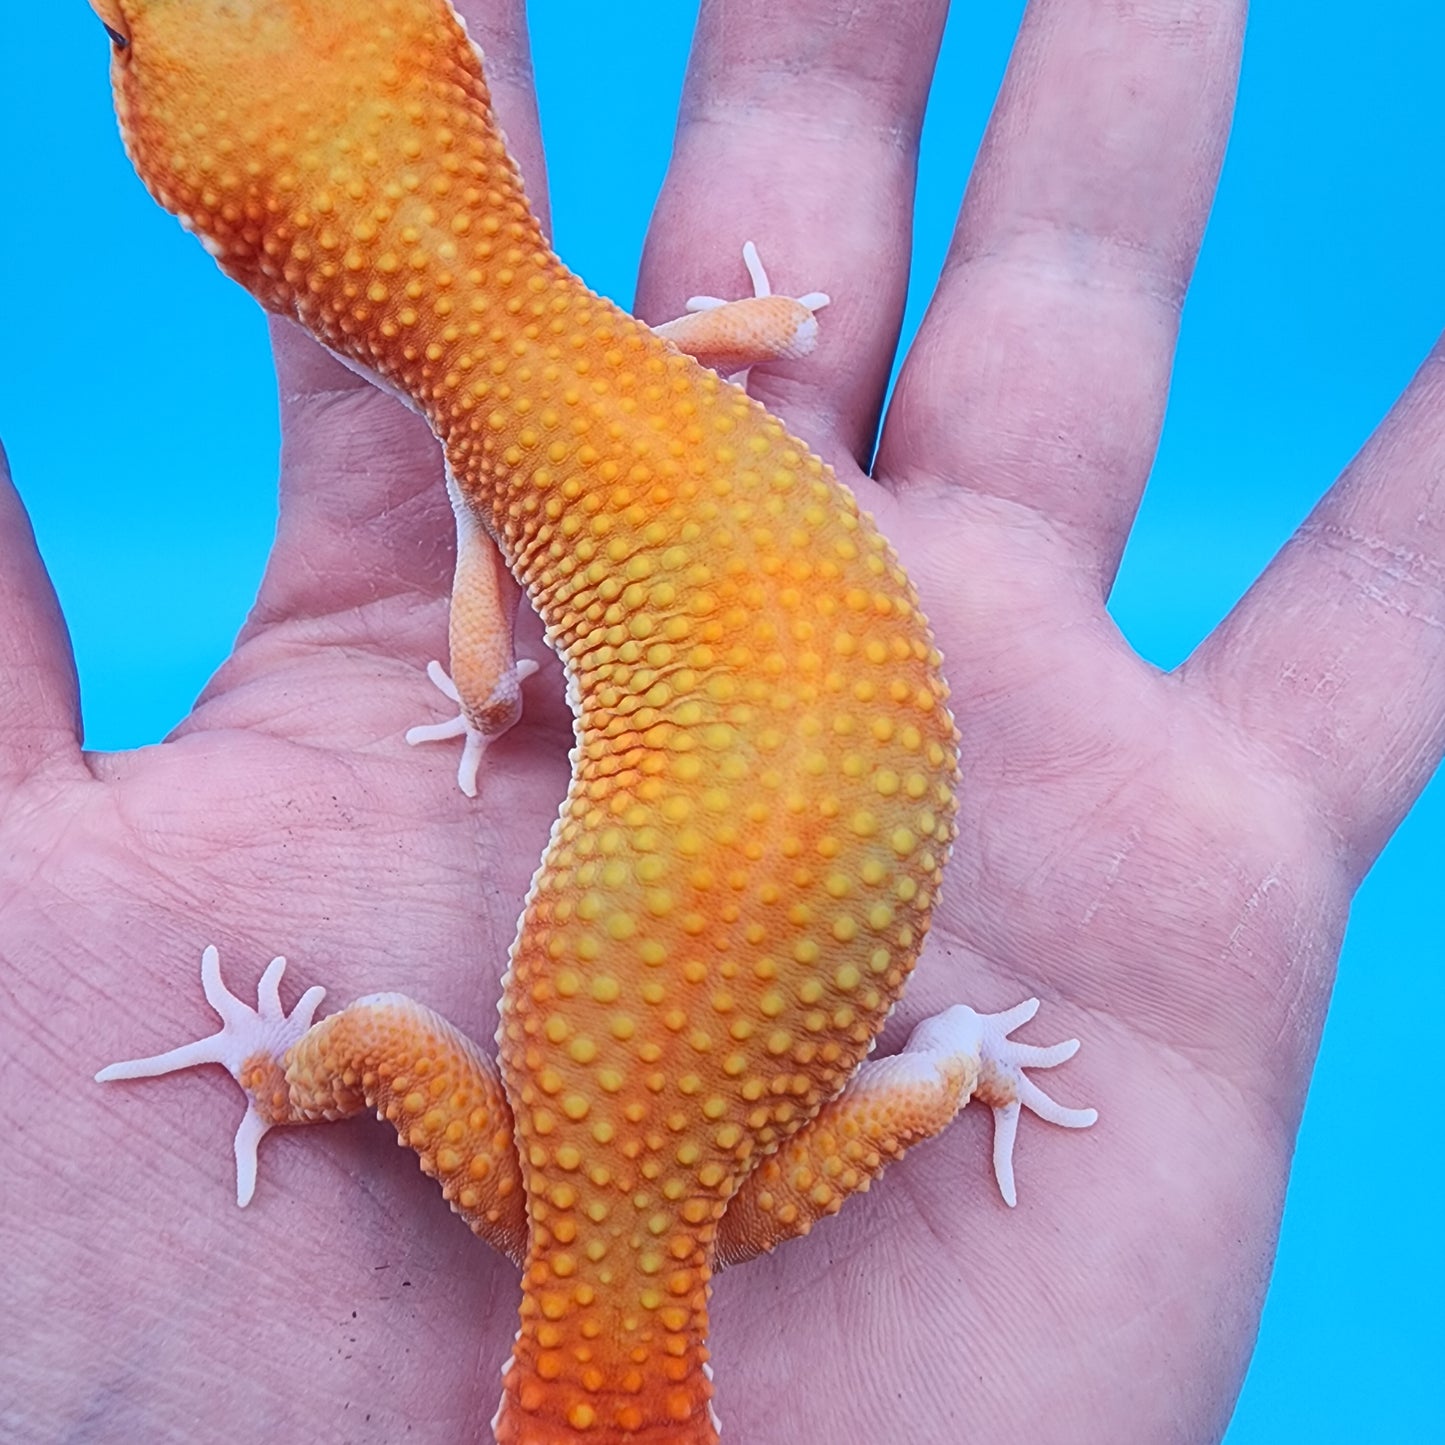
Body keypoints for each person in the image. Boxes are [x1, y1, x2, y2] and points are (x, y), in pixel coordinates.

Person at [1, 0, 1438, 1440]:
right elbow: (679, 373)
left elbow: (487, 676)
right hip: (807, 772)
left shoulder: (488, 446)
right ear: (442, 72)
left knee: (912, 1069)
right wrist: (782, 331)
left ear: (241, 244)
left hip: (784, 907)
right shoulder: (578, 352)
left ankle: (961, 1065)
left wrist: (948, 1070)